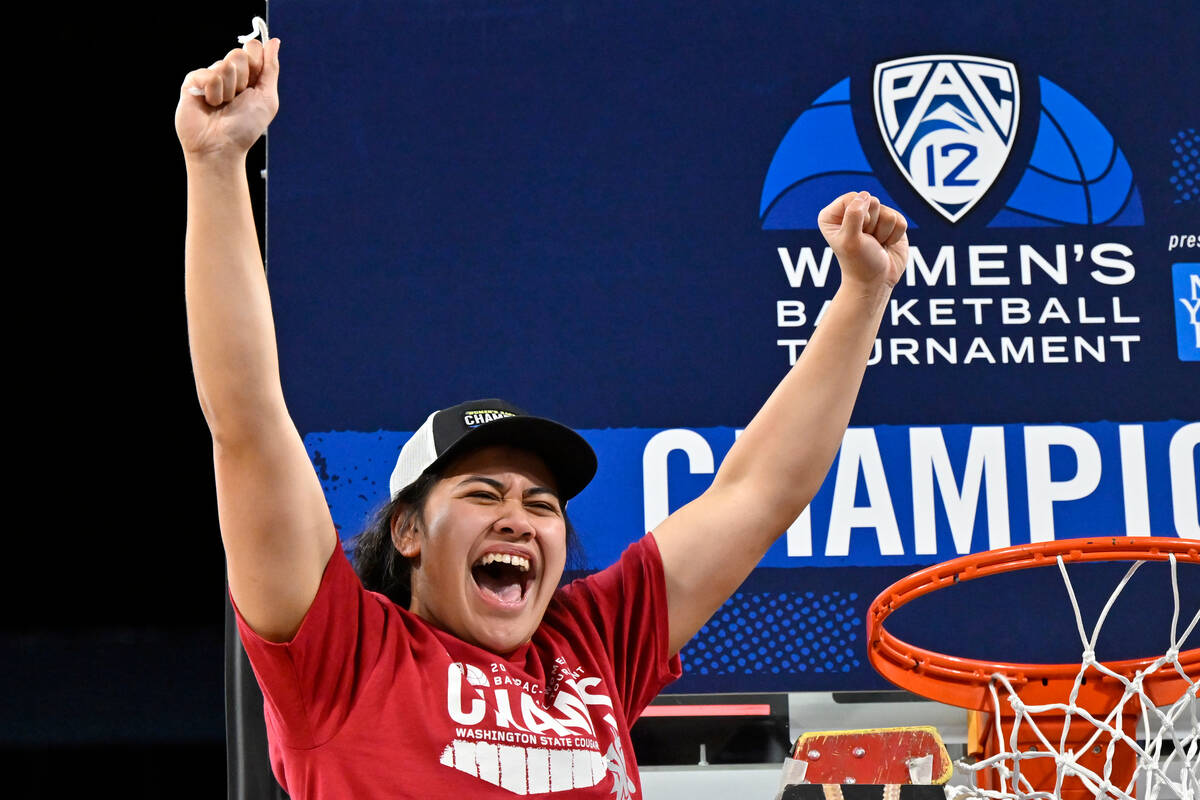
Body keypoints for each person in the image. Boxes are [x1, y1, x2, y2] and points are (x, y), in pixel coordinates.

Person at [176, 34, 908, 800]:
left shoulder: (590, 644)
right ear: (408, 531)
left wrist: (861, 297)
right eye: (485, 494)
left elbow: (757, 492)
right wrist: (218, 163)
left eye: (542, 505)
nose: (520, 520)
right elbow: (247, 421)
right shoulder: (343, 654)